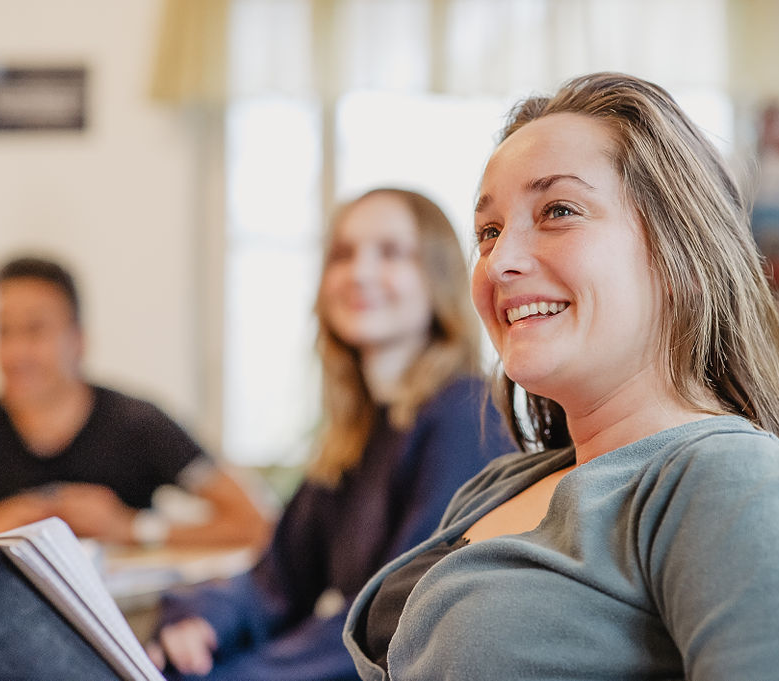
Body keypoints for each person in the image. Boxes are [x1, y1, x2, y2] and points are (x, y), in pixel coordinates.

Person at [341, 72, 779, 680]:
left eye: (559, 211)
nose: (501, 261)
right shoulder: (500, 486)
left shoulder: (733, 484)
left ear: (681, 254)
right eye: (489, 232)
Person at [147, 188, 514, 680]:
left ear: (438, 277)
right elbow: (275, 582)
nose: (359, 273)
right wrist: (199, 621)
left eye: (390, 252)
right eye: (342, 254)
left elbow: (396, 624)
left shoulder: (466, 416)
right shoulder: (357, 434)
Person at [0, 256, 267, 549]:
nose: (16, 352)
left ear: (79, 340)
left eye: (35, 330)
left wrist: (133, 528)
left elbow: (254, 521)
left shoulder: (138, 424)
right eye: (4, 331)